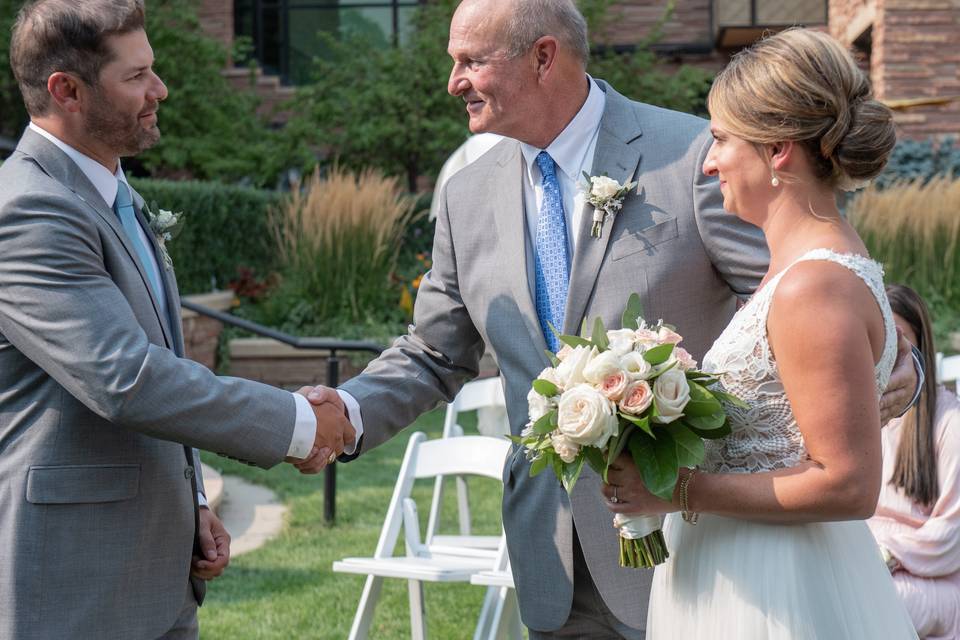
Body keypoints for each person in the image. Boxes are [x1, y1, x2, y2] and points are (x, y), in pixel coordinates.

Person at [303, 3, 919, 637]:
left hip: (709, 556)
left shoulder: (694, 155)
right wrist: (343, 414)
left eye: (472, 61)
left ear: (544, 57)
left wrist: (905, 366)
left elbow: (811, 288)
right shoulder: (466, 195)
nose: (454, 82)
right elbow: (433, 352)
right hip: (548, 550)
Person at [0, 2, 354, 638]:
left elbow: (162, 364)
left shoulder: (112, 193)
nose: (159, 89)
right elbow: (127, 378)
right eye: (136, 77)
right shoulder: (28, 212)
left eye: (152, 70)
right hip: (72, 583)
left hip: (156, 572)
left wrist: (187, 497)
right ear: (67, 90)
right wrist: (298, 424)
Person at [601, 28, 918, 639]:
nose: (710, 159)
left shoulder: (811, 287)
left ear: (777, 150)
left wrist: (675, 489)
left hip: (777, 589)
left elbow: (847, 484)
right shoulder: (804, 269)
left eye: (720, 138)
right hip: (744, 565)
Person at [869, 285, 960, 639]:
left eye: (899, 338)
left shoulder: (948, 422)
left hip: (926, 578)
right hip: (867, 563)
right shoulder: (865, 414)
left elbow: (952, 534)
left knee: (864, 604)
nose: (887, 350)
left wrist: (889, 555)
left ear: (919, 344)